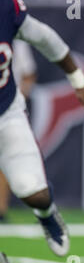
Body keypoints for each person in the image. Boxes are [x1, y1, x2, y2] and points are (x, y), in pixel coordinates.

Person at [0, 0, 84, 263]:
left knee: (32, 190)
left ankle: (46, 214)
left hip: (5, 113)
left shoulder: (4, 3)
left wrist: (78, 80)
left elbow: (43, 37)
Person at [0, 39, 38, 222]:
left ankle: (1, 209)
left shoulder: (15, 40)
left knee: (5, 160)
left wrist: (16, 101)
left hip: (6, 107)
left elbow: (28, 74)